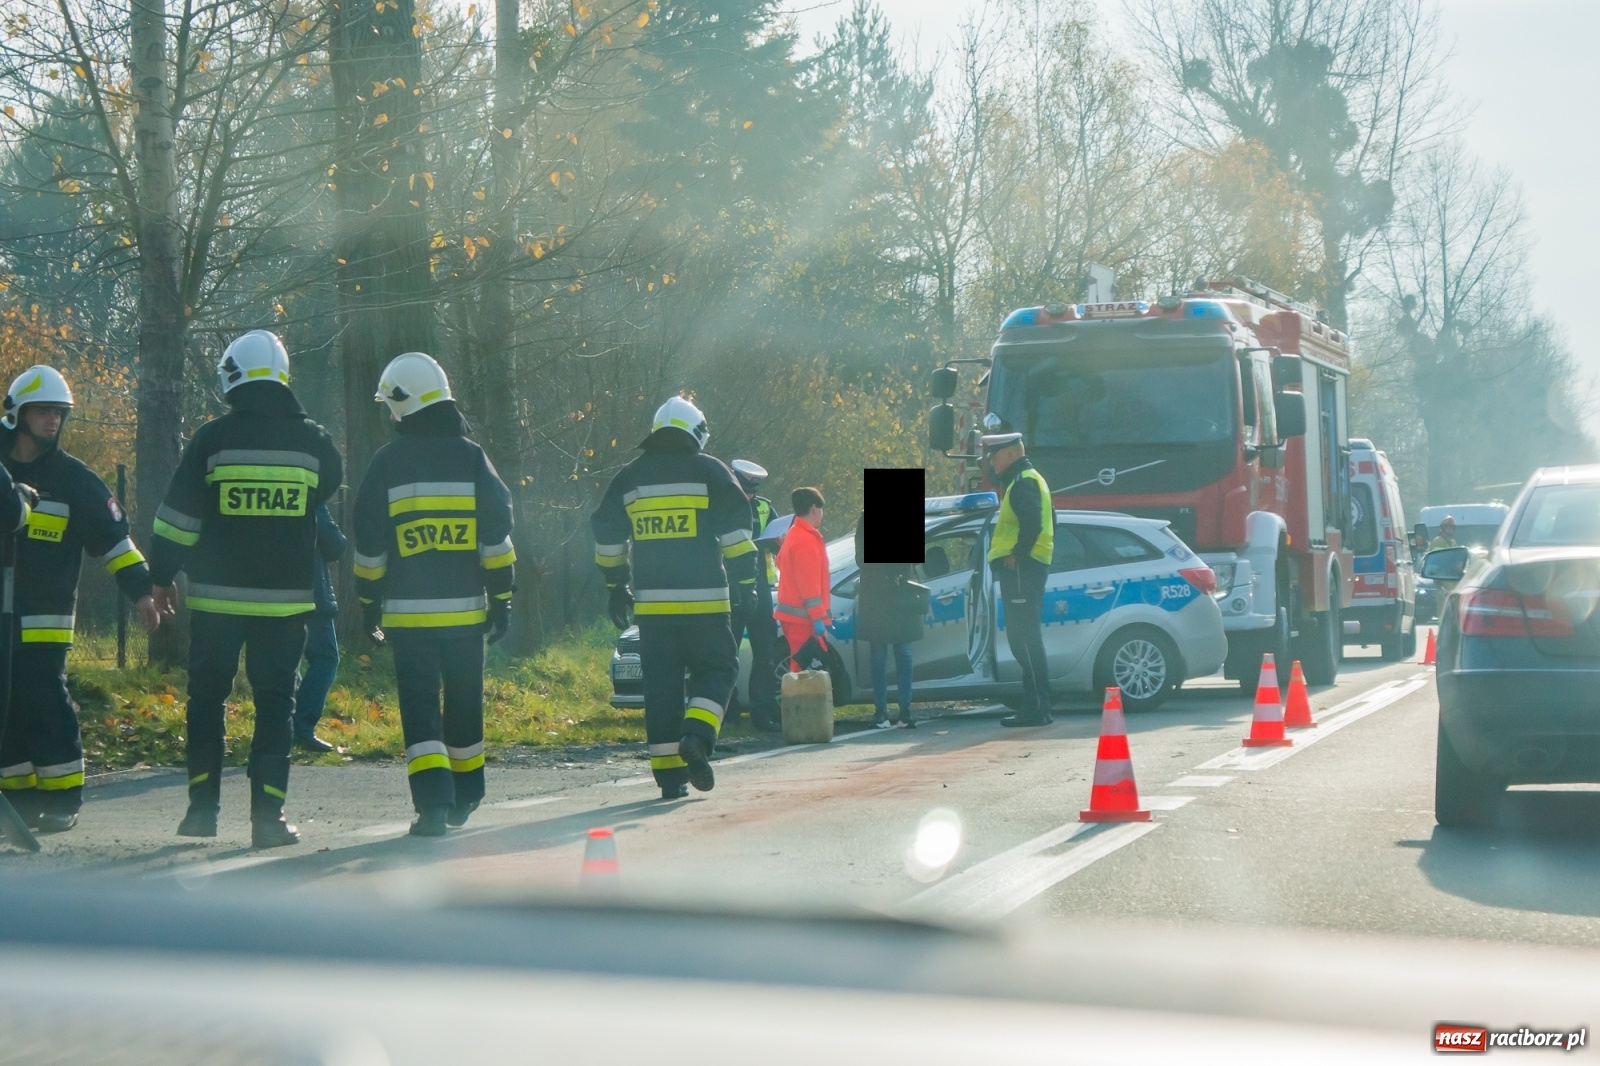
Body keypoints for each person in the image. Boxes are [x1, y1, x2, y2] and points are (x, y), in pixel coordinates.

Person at [150, 330, 343, 848]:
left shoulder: (211, 440)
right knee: (276, 705)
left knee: (207, 698)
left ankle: (201, 811)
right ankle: (267, 821)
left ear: (231, 375)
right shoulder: (316, 442)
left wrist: (161, 575)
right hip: (285, 606)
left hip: (216, 601)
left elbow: (177, 521)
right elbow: (325, 491)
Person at [353, 353, 515, 837]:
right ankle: (468, 792)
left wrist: (368, 602)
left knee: (420, 706)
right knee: (465, 699)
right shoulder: (472, 458)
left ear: (403, 404)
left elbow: (369, 545)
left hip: (407, 619)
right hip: (466, 615)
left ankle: (432, 807)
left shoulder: (386, 463)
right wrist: (502, 598)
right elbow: (497, 538)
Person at [0, 366, 160, 832]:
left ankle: (64, 796)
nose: (53, 421)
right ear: (17, 413)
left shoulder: (74, 479)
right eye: (43, 411)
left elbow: (113, 541)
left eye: (58, 413)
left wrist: (142, 591)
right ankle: (17, 799)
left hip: (45, 618)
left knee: (44, 701)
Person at [590, 396, 754, 800]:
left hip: (653, 611)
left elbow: (607, 535)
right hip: (706, 605)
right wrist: (745, 582)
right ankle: (697, 737)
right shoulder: (710, 471)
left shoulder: (629, 478)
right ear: (696, 432)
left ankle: (670, 780)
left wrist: (616, 585)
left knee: (661, 688)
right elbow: (736, 532)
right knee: (718, 669)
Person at [982, 432, 1055, 728]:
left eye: (995, 457)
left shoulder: (1024, 480)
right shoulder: (1024, 478)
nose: (992, 462)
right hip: (1026, 568)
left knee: (1023, 639)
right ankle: (1035, 705)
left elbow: (1034, 522)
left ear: (1010, 454)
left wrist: (1018, 554)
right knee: (1023, 639)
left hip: (1023, 568)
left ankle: (1038, 706)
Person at [729, 459, 782, 732]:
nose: (750, 496)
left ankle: (763, 713)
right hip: (729, 588)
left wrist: (778, 543)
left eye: (753, 491)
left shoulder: (764, 507)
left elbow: (778, 539)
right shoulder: (721, 505)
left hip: (759, 589)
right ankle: (728, 712)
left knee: (766, 654)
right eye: (745, 490)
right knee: (727, 654)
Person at [854, 512, 918, 729]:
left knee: (904, 653)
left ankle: (905, 708)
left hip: (900, 596)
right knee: (878, 657)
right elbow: (860, 557)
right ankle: (880, 709)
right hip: (875, 597)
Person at [293, 503, 346, 753]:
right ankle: (301, 726)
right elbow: (334, 545)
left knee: (285, 660)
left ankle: (284, 723)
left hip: (267, 593)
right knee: (325, 658)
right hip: (309, 591)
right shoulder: (310, 492)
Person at [775, 487, 831, 672]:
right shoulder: (806, 540)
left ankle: (801, 700)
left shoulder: (794, 533)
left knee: (802, 666)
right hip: (803, 618)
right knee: (803, 671)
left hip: (794, 616)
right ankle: (801, 701)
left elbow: (782, 564)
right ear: (814, 508)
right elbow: (809, 585)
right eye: (821, 508)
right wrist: (818, 618)